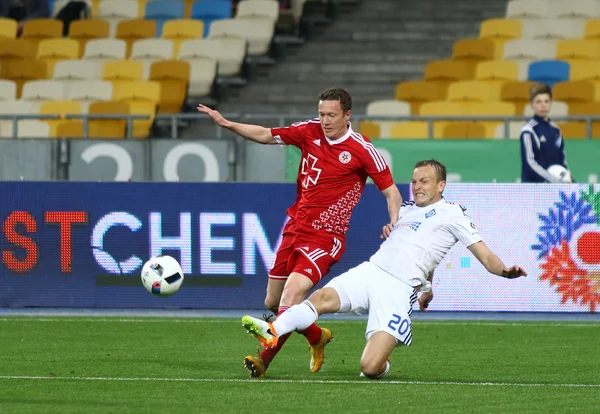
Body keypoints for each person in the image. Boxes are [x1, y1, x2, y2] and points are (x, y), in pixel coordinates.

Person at [241, 159, 527, 379]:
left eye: (424, 181)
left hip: (398, 290)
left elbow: (484, 256)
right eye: (414, 181)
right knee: (318, 299)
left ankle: (382, 360)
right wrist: (427, 278)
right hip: (372, 270)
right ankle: (272, 330)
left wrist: (504, 271)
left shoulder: (454, 214)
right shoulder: (405, 209)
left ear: (441, 185)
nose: (417, 186)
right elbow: (421, 249)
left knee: (369, 368)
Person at [197, 88, 402, 378]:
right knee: (273, 301)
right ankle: (317, 336)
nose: (325, 120)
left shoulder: (362, 150)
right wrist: (228, 124)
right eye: (322, 114)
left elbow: (392, 193)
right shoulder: (308, 131)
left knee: (291, 296)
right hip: (295, 227)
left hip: (325, 237)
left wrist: (394, 222)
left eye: (332, 115)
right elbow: (267, 134)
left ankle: (263, 360)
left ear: (347, 115)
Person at [520, 83, 571, 183]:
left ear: (551, 103)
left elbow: (562, 160)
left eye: (546, 101)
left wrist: (567, 178)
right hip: (533, 189)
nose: (543, 105)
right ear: (532, 104)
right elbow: (530, 162)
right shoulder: (528, 130)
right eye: (538, 102)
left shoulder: (556, 130)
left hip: (555, 189)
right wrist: (553, 179)